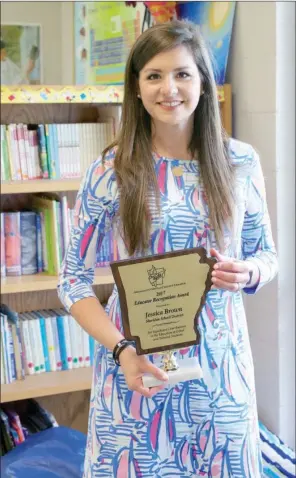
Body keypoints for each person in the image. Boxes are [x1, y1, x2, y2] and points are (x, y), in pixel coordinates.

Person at [58, 20, 278, 478]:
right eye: (153, 75)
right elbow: (72, 281)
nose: (169, 88)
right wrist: (122, 351)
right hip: (136, 369)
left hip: (221, 368)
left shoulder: (240, 162)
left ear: (203, 82)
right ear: (136, 89)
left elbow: (266, 255)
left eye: (182, 74)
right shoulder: (109, 170)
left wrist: (249, 272)